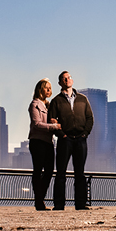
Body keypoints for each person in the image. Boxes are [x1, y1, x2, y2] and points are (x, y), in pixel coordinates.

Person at [47, 71, 94, 210]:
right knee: (61, 173)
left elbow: (90, 118)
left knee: (80, 173)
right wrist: (62, 135)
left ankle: (80, 204)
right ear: (60, 83)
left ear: (72, 80)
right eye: (64, 79)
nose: (67, 80)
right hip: (65, 140)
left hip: (81, 140)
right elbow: (52, 122)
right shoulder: (56, 101)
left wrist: (85, 134)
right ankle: (59, 204)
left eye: (69, 77)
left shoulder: (82, 99)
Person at [28, 78, 60, 211]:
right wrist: (53, 126)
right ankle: (39, 201)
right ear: (40, 89)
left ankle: (40, 199)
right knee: (38, 171)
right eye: (46, 87)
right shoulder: (34, 104)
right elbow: (36, 124)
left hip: (48, 142)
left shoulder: (49, 105)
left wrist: (55, 122)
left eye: (50, 88)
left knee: (49, 171)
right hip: (37, 141)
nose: (49, 90)